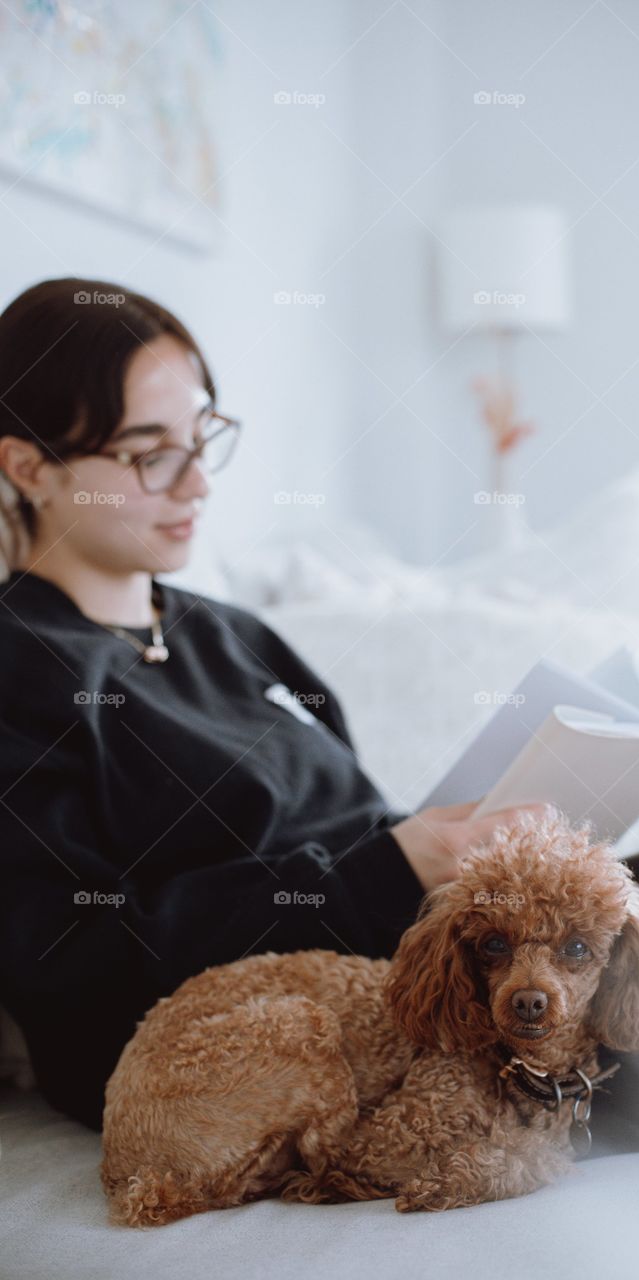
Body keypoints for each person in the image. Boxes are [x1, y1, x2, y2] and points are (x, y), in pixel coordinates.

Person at [0, 277, 547, 1131]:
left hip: (424, 956)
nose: (197, 487)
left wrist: (442, 843)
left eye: (202, 438)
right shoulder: (22, 670)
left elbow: (355, 818)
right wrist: (387, 871)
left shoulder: (223, 631)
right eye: (152, 454)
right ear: (29, 466)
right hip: (274, 1031)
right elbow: (69, 955)